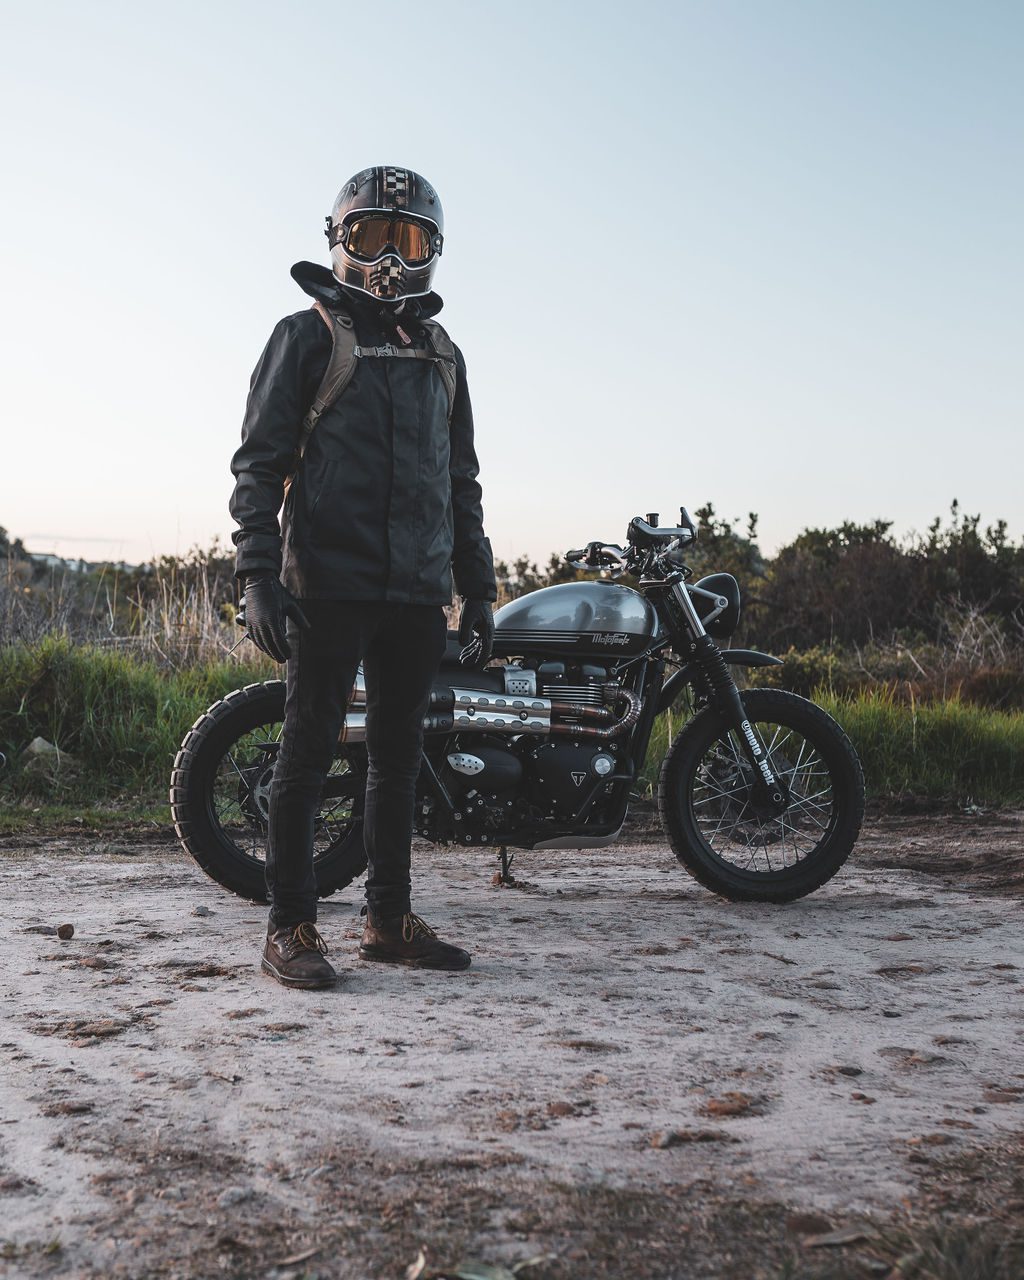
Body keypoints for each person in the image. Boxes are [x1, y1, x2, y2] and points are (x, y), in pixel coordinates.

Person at [228, 165, 497, 989]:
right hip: (326, 585)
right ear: (338, 239)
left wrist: (478, 588)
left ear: (433, 251)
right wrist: (257, 577)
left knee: (398, 760)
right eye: (370, 233)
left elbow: (462, 483)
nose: (388, 254)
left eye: (406, 238)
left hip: (416, 591)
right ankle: (291, 928)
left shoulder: (443, 353)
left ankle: (387, 919)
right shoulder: (306, 336)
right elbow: (260, 464)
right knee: (306, 758)